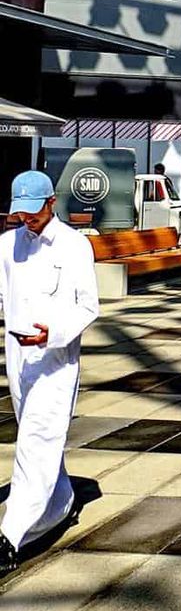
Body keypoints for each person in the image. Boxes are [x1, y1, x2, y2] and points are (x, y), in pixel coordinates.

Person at [0, 171, 100, 575]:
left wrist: (53, 334)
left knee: (36, 440)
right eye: (20, 213)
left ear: (51, 202)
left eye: (33, 211)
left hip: (55, 362)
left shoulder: (75, 246)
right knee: (37, 440)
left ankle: (10, 535)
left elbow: (88, 306)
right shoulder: (7, 245)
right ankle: (61, 502)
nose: (27, 219)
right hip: (18, 360)